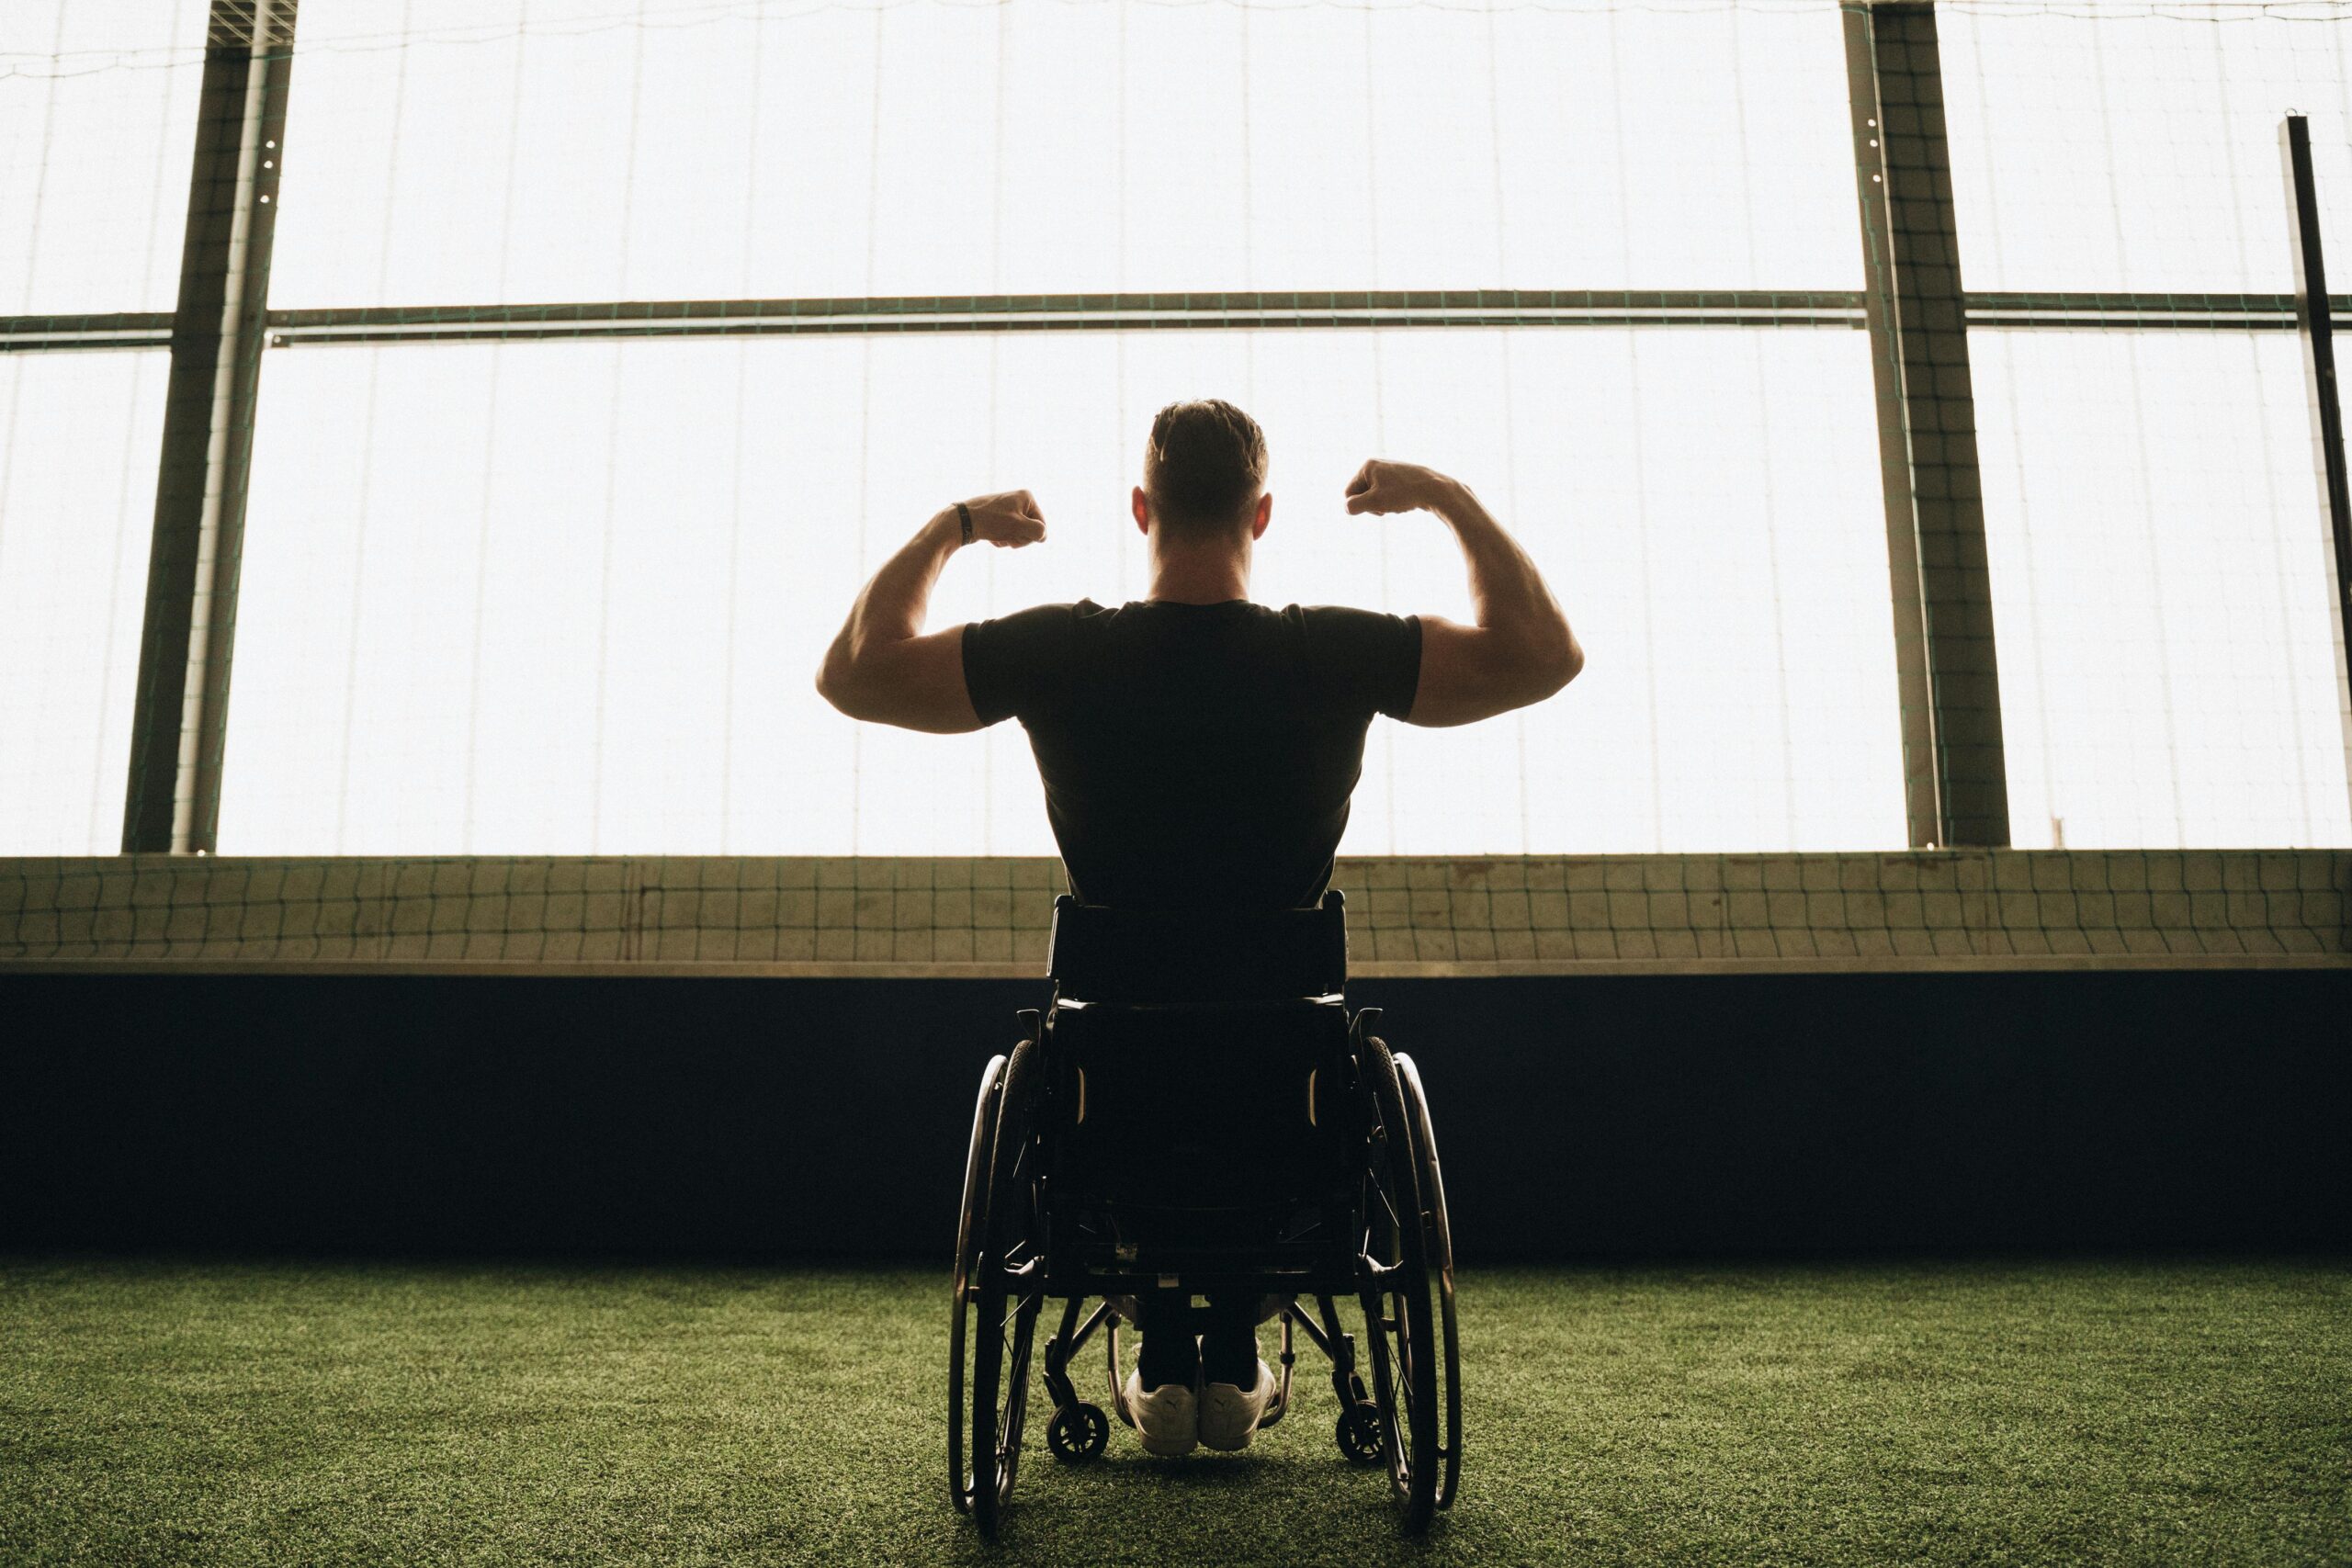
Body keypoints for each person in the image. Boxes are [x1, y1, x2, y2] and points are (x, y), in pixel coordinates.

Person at [816, 398, 1581, 1457]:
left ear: (1142, 508)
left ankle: (1169, 1346)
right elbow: (1543, 654)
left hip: (1109, 1104)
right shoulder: (1333, 653)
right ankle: (1226, 1350)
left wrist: (955, 525)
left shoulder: (1061, 651)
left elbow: (852, 671)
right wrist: (1443, 499)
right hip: (1287, 1104)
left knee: (1127, 1096)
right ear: (1259, 516)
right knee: (1270, 1094)